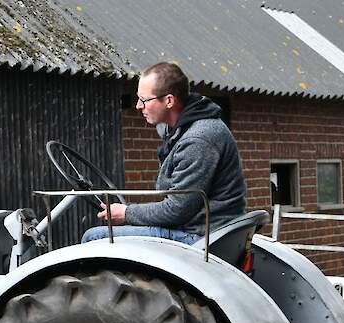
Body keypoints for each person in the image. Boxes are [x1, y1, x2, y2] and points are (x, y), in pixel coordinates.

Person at [82, 62, 246, 245]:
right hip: (199, 228)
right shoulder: (182, 130)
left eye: (144, 100)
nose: (137, 106)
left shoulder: (198, 139)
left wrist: (127, 213)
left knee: (94, 237)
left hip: (202, 236)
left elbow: (177, 210)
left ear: (169, 101)